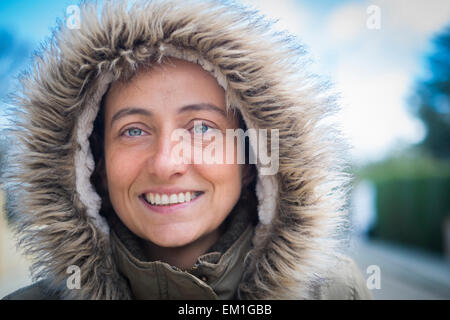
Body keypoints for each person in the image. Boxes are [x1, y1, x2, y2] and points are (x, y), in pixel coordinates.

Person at [1, 0, 372, 300]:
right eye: (133, 130)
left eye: (201, 127)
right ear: (94, 163)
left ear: (250, 160)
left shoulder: (335, 292)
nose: (166, 163)